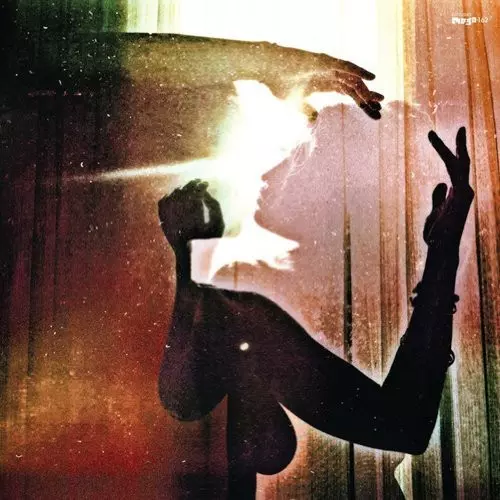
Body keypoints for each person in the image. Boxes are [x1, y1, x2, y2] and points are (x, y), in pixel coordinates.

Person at [157, 127, 474, 499]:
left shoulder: (244, 338)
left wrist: (191, 261)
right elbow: (182, 398)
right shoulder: (237, 335)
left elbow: (404, 426)